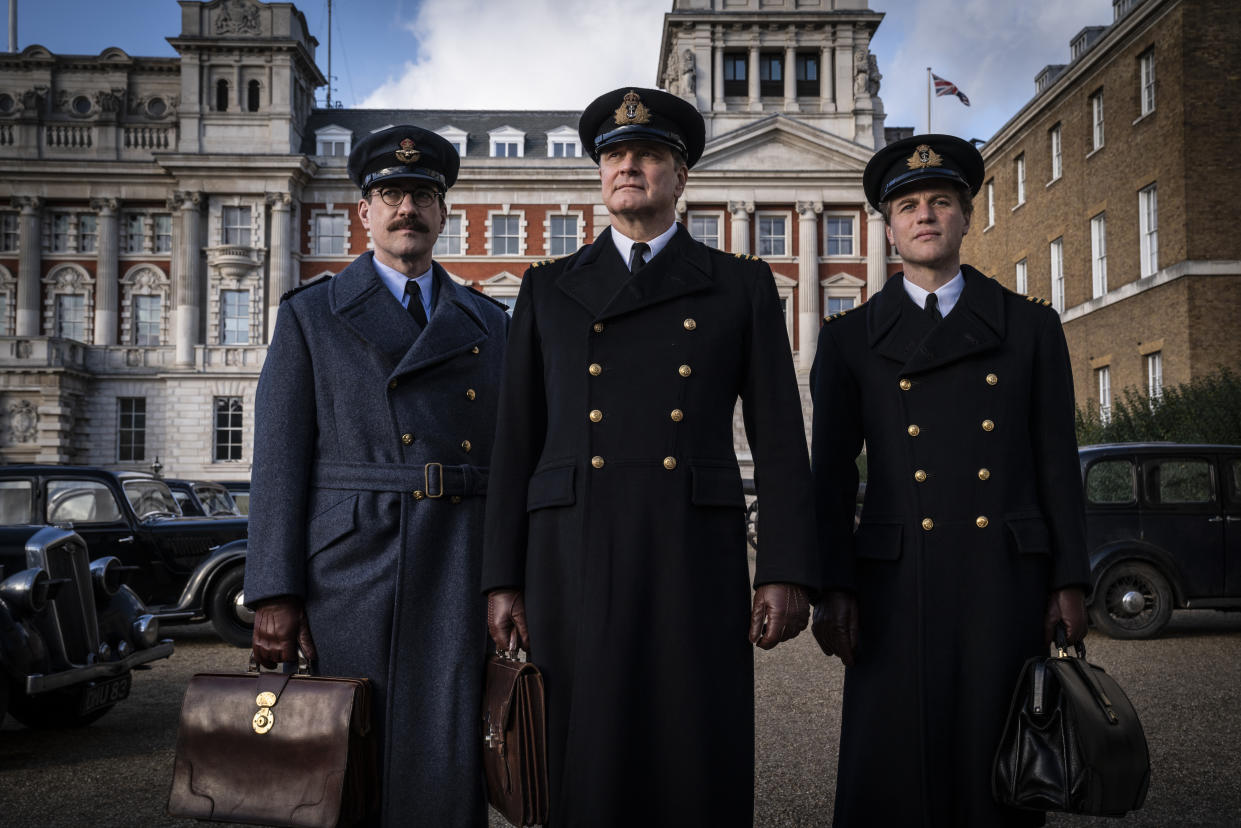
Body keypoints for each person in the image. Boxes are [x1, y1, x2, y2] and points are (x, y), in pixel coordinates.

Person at [481, 87, 818, 827]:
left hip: (689, 548)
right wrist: (500, 579)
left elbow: (780, 438)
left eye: (647, 154)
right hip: (570, 551)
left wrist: (787, 568)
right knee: (582, 745)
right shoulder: (546, 288)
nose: (627, 166)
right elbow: (515, 442)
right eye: (613, 156)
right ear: (600, 175)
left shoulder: (741, 284)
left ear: (681, 175)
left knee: (689, 743)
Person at [809, 134, 1090, 827]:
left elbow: (1056, 459)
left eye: (940, 202)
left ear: (966, 216)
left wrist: (1068, 580)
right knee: (895, 767)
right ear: (889, 225)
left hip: (1003, 576)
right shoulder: (849, 339)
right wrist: (832, 587)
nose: (924, 215)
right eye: (907, 205)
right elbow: (831, 476)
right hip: (894, 582)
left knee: (996, 759)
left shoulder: (1028, 327)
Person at [245, 125, 509, 827]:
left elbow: (515, 461)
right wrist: (275, 592)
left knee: (447, 752)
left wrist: (509, 576)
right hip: (350, 568)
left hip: (457, 555)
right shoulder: (310, 314)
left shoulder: (489, 322)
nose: (406, 209)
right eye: (390, 193)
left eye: (422, 194)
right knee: (343, 753)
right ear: (363, 211)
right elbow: (276, 461)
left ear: (443, 212)